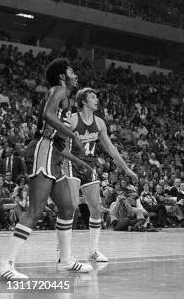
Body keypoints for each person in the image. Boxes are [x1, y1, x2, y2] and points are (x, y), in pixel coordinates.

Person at [0, 58, 92, 280]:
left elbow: (57, 141)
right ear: (62, 76)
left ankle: (66, 259)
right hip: (44, 152)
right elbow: (47, 116)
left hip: (54, 156)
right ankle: (5, 263)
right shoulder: (58, 90)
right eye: (71, 71)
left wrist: (79, 162)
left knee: (68, 208)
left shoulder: (65, 99)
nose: (75, 74)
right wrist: (75, 137)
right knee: (35, 211)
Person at [61, 87, 138, 263]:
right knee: (72, 205)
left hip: (89, 165)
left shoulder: (100, 123)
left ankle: (94, 251)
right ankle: (64, 250)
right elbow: (62, 147)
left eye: (96, 97)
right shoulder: (72, 120)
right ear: (83, 101)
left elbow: (110, 148)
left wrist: (126, 169)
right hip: (71, 163)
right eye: (93, 97)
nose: (97, 100)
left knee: (96, 208)